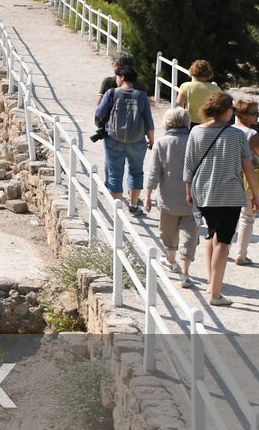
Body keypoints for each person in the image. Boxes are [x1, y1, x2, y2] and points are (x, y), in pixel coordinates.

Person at [184, 91, 259, 305]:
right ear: (228, 111)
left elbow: (188, 166)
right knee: (223, 243)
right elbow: (248, 168)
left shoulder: (196, 132)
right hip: (229, 195)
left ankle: (211, 281)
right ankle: (215, 294)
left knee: (212, 235)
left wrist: (188, 191)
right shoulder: (236, 135)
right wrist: (256, 194)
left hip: (202, 193)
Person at [144, 107, 199, 284]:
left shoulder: (161, 143)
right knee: (190, 235)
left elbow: (154, 172)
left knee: (168, 233)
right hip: (192, 198)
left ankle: (171, 260)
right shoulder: (195, 141)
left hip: (168, 199)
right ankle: (185, 272)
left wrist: (148, 195)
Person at [95, 67, 154, 213]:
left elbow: (99, 112)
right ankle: (133, 206)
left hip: (113, 139)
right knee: (136, 171)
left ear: (121, 77)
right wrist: (151, 139)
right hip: (137, 140)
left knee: (115, 172)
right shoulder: (141, 96)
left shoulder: (112, 93)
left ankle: (118, 210)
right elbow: (149, 121)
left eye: (117, 77)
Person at [232, 98, 259, 265]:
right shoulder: (252, 134)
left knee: (231, 216)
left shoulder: (229, 130)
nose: (257, 116)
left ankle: (225, 248)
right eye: (254, 113)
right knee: (247, 217)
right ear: (243, 115)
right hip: (249, 178)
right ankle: (241, 254)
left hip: (230, 177)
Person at [175, 59, 221, 128]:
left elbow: (179, 107)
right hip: (209, 123)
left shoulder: (186, 86)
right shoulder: (216, 89)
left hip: (190, 122)